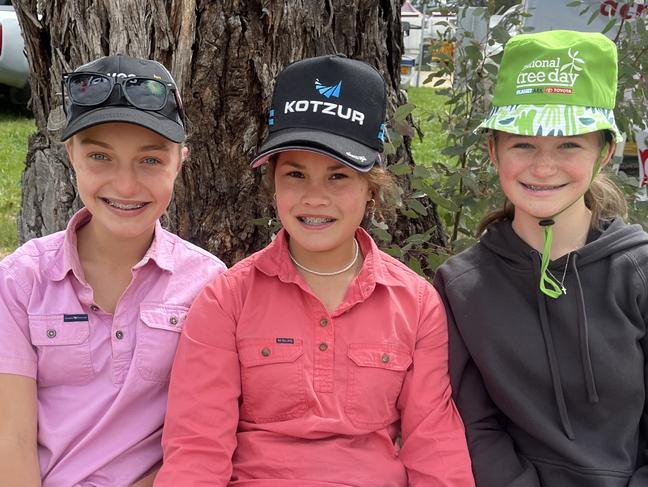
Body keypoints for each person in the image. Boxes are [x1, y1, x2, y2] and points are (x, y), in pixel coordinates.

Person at [155, 54, 475, 486]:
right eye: (296, 175)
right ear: (273, 183)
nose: (315, 197)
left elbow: (433, 442)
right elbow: (197, 449)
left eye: (339, 176)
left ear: (371, 188)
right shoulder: (227, 299)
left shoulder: (415, 304)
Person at [433, 30, 648, 486]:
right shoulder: (461, 286)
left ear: (604, 153)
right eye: (523, 144)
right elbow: (472, 423)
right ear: (494, 151)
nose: (544, 167)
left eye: (569, 144)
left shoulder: (640, 273)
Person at [0, 54, 226, 486]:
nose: (125, 186)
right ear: (71, 155)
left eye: (150, 160)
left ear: (180, 160)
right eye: (100, 157)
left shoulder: (208, 285)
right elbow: (10, 441)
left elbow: (202, 442)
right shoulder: (19, 281)